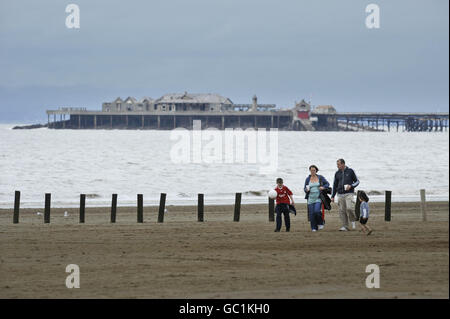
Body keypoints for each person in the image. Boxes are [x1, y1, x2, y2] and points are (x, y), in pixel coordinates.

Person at [331, 159, 360, 231]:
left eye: (338, 164)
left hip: (349, 193)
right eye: (337, 164)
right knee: (342, 211)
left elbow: (357, 181)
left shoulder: (350, 171)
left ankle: (353, 220)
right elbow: (335, 185)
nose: (337, 166)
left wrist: (351, 186)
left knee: (349, 208)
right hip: (340, 194)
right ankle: (345, 226)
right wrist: (332, 196)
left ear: (343, 164)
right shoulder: (337, 173)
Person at [304, 165, 330, 232]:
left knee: (317, 211)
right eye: (311, 170)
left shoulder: (320, 177)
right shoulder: (307, 179)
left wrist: (323, 187)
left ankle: (321, 222)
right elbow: (305, 188)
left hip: (318, 197)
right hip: (310, 198)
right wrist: (306, 190)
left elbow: (327, 184)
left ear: (316, 171)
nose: (312, 172)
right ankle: (314, 228)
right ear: (310, 171)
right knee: (312, 214)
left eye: (314, 170)